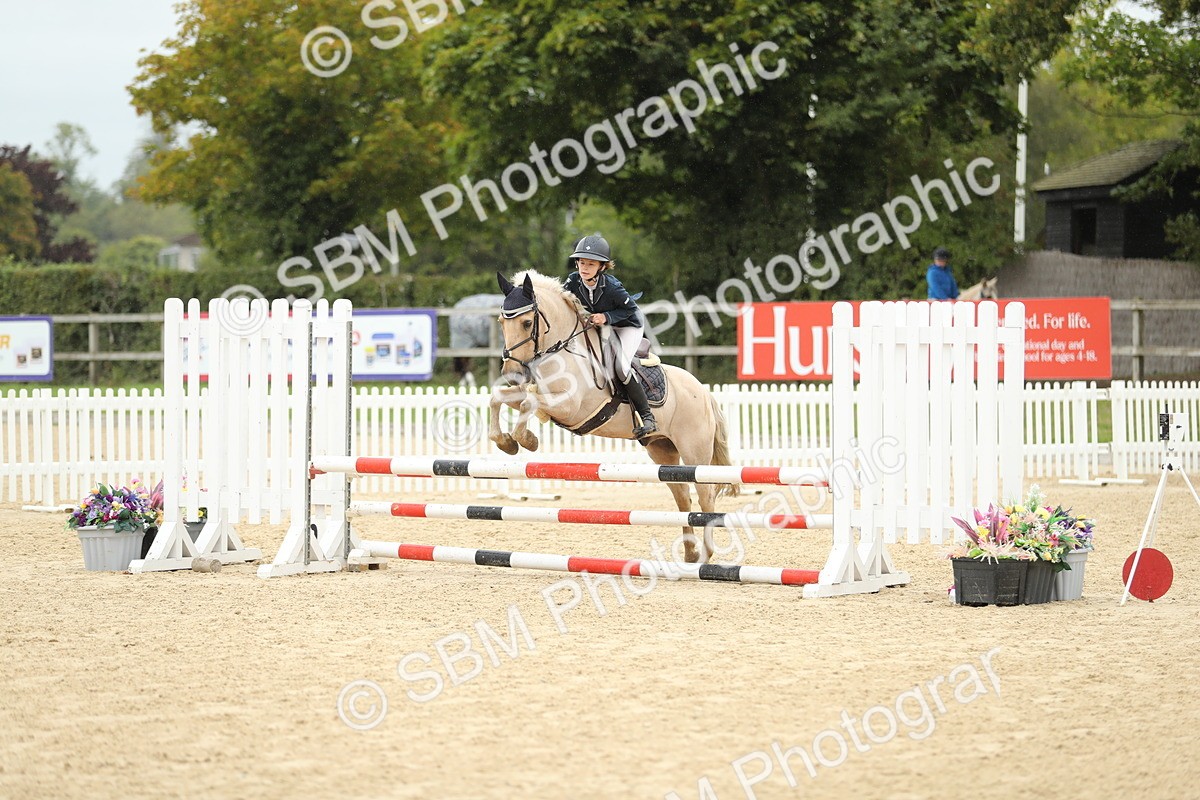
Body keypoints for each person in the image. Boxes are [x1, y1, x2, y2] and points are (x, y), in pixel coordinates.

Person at [562, 234, 657, 439]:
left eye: (590, 264)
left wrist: (606, 316)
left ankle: (647, 416)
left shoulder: (613, 287)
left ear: (602, 267)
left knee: (621, 367)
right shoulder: (573, 281)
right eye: (581, 262)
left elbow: (631, 310)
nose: (584, 268)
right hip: (602, 326)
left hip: (628, 325)